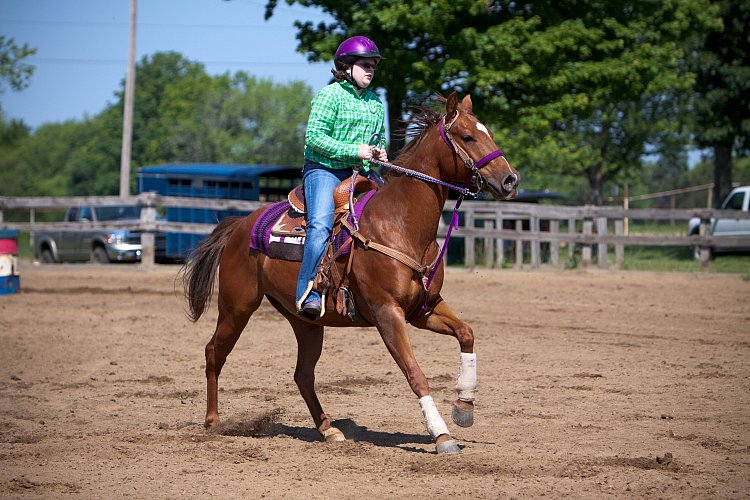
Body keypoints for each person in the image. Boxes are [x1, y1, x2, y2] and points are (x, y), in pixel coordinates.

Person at [295, 35, 389, 318]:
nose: (370, 70)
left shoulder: (375, 103)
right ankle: (308, 293)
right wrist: (356, 150)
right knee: (321, 226)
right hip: (324, 170)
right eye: (364, 65)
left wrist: (379, 152)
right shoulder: (329, 95)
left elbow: (379, 139)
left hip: (362, 173)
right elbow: (313, 138)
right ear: (346, 67)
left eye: (373, 65)